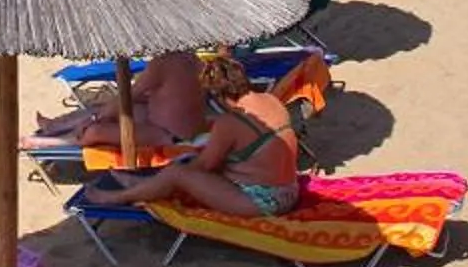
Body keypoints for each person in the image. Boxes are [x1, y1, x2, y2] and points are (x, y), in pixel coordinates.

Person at [74, 56, 305, 217]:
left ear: (218, 94)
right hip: (289, 191)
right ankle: (141, 185)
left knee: (178, 171)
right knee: (183, 165)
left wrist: (174, 170)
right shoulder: (272, 101)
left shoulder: (231, 122)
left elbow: (203, 167)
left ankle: (118, 197)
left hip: (264, 202)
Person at [25, 50, 208, 150]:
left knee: (95, 130)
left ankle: (49, 142)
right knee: (105, 108)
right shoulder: (193, 59)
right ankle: (55, 125)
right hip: (174, 126)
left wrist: (94, 120)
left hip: (170, 137)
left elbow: (128, 95)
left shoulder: (163, 63)